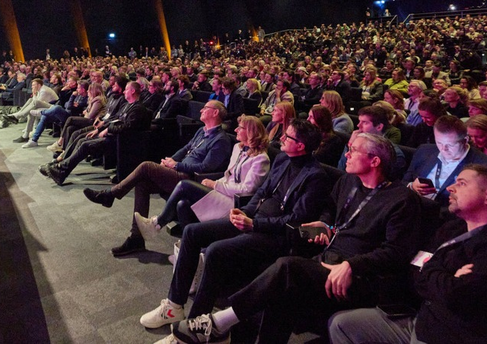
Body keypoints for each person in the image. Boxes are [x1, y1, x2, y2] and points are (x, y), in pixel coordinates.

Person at [169, 132, 421, 344]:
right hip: (325, 258)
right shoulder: (348, 181)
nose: (347, 154)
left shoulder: (401, 200)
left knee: (286, 268)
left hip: (355, 277)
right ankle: (228, 327)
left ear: (375, 161)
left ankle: (219, 322)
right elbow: (329, 209)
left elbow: (395, 252)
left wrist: (352, 266)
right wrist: (324, 223)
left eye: (353, 151)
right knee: (276, 293)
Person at [139, 120, 330, 334]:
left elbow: (295, 219)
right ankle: (174, 307)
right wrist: (246, 211)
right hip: (253, 219)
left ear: (301, 146)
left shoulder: (315, 176)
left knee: (215, 251)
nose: (282, 138)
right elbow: (262, 191)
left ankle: (193, 326)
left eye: (288, 136)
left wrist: (254, 223)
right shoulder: (283, 159)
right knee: (192, 232)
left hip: (274, 234)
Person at [328, 165, 487, 344]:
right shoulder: (452, 228)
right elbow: (415, 272)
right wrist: (444, 276)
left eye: (462, 183)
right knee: (342, 325)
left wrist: (433, 273)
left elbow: (456, 296)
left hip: (451, 334)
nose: (450, 188)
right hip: (419, 316)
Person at [81, 101, 232, 257]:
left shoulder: (221, 140)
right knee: (142, 183)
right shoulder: (202, 131)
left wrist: (177, 165)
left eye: (206, 108)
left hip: (190, 180)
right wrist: (169, 162)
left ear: (215, 113)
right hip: (177, 172)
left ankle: (110, 194)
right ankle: (136, 238)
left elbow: (206, 168)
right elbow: (186, 149)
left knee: (146, 166)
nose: (201, 109)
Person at [134, 115, 270, 240]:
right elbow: (228, 175)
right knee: (183, 205)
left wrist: (215, 185)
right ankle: (189, 247)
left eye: (240, 128)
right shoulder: (238, 148)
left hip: (235, 202)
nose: (235, 129)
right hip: (223, 192)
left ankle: (156, 224)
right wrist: (216, 182)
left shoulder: (261, 159)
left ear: (251, 132)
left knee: (184, 185)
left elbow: (246, 190)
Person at [44, 81, 151, 186]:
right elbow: (114, 119)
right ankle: (61, 169)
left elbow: (127, 127)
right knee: (82, 139)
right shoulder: (128, 105)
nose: (124, 92)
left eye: (127, 89)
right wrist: (100, 129)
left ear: (132, 91)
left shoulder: (138, 109)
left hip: (121, 141)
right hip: (114, 136)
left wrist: (108, 130)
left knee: (86, 144)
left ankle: (61, 170)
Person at [403, 115, 487, 207]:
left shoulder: (485, 166)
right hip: (413, 207)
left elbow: (477, 207)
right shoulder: (424, 150)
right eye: (439, 142)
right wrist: (411, 186)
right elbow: (404, 181)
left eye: (450, 145)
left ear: (465, 140)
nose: (443, 149)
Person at [3, 78, 59, 145]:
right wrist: (34, 94)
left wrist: (34, 94)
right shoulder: (41, 89)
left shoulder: (44, 91)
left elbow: (37, 103)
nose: (32, 87)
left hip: (53, 107)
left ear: (38, 85)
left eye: (33, 85)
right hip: (46, 105)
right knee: (30, 102)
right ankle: (20, 119)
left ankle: (19, 117)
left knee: (33, 103)